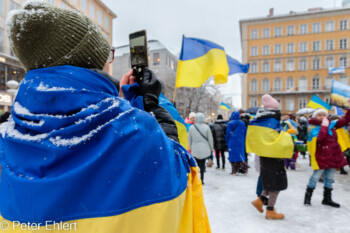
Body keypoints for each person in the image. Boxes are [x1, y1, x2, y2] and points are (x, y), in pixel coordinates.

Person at [0, 2, 211, 232]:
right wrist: (150, 106)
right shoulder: (134, 132)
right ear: (90, 62)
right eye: (107, 55)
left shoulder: (8, 136)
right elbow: (181, 176)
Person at [248, 94, 294, 220]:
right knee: (276, 184)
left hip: (265, 155)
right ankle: (270, 210)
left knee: (269, 182)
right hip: (274, 155)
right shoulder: (272, 121)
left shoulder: (258, 120)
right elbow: (278, 137)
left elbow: (266, 137)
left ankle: (260, 200)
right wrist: (287, 135)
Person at [304, 108, 350, 208]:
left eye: (324, 115)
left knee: (329, 178)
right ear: (315, 117)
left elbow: (345, 120)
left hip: (333, 156)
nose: (322, 117)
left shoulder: (332, 125)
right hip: (320, 157)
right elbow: (320, 138)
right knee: (315, 177)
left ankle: (327, 199)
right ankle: (308, 197)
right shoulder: (312, 127)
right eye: (319, 115)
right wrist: (324, 126)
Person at [188, 113, 214, 185]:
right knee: (202, 165)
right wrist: (211, 148)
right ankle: (201, 179)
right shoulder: (206, 127)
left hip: (195, 148)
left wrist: (191, 148)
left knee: (196, 165)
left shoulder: (191, 127)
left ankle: (196, 179)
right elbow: (210, 139)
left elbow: (189, 139)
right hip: (204, 148)